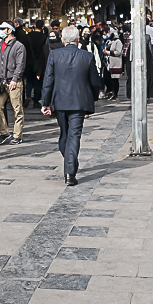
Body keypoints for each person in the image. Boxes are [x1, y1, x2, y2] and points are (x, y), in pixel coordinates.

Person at [41, 26, 102, 186]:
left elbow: (48, 81)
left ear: (63, 40)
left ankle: (69, 169)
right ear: (77, 39)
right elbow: (95, 82)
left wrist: (45, 102)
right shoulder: (87, 56)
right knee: (72, 136)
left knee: (65, 134)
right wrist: (94, 98)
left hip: (60, 100)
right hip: (79, 101)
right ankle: (71, 167)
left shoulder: (54, 55)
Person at [0, 22, 26, 146]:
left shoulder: (19, 46)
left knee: (17, 109)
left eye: (2, 29)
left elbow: (20, 65)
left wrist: (15, 79)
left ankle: (17, 135)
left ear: (9, 30)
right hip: (0, 81)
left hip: (13, 81)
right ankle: (4, 133)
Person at [24, 20, 48, 108]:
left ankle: (28, 95)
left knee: (29, 81)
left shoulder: (28, 37)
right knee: (38, 82)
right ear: (42, 27)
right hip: (39, 63)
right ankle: (36, 101)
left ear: (34, 26)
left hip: (28, 62)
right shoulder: (44, 38)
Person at [103, 28, 124, 101]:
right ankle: (110, 92)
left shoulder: (118, 42)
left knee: (115, 80)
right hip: (108, 63)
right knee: (107, 78)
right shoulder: (109, 41)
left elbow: (118, 52)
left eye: (109, 32)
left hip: (115, 63)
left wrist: (108, 52)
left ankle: (115, 94)